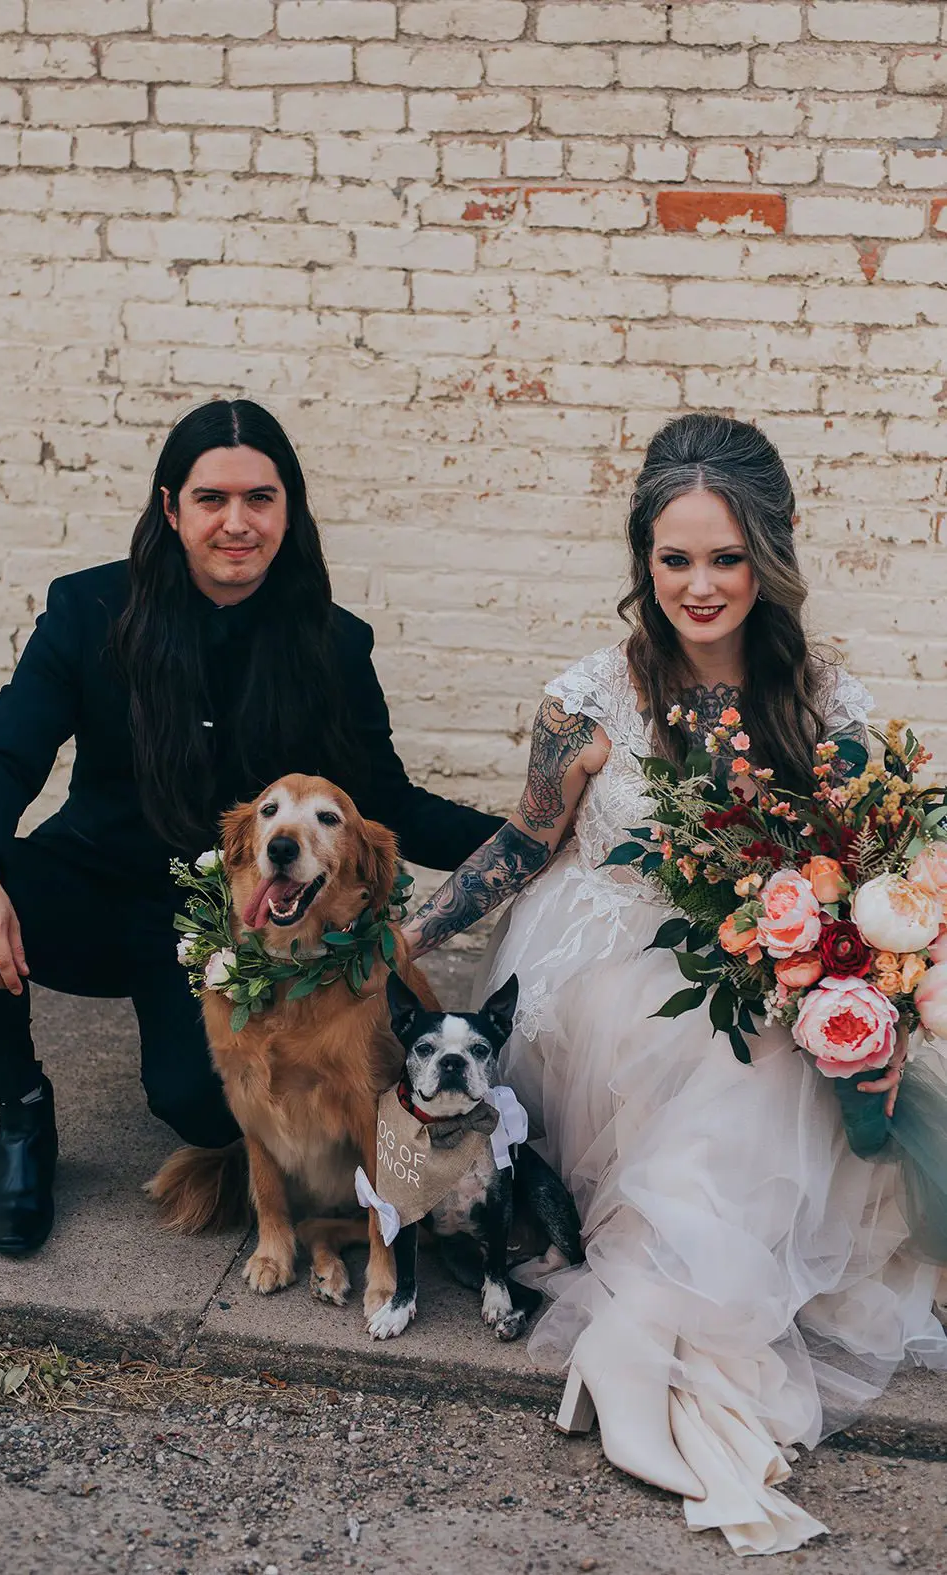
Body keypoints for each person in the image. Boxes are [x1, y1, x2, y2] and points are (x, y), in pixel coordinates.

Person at [400, 413, 947, 1555]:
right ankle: (655, 1318)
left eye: (728, 557)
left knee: (766, 1054)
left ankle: (644, 1325)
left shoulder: (821, 706)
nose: (700, 586)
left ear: (773, 555)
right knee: (698, 1044)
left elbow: (862, 874)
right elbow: (528, 839)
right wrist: (421, 924)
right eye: (675, 558)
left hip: (756, 968)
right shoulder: (593, 696)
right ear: (643, 561)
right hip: (598, 966)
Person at [0, 398, 501, 1261]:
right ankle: (24, 1116)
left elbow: (393, 806)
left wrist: (537, 833)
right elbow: (3, 755)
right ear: (170, 509)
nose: (237, 523)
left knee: (197, 1105)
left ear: (288, 510)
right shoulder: (89, 611)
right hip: (92, 878)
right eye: (211, 499)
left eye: (261, 499)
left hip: (222, 931)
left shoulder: (332, 645)